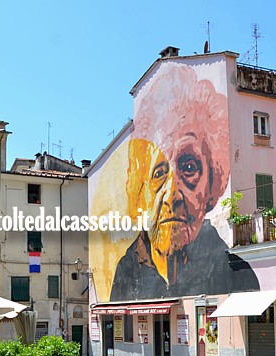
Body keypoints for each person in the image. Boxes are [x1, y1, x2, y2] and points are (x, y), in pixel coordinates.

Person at [110, 64, 259, 301]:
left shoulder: (236, 274)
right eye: (158, 173)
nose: (172, 195)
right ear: (141, 191)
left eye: (189, 167)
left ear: (212, 186)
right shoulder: (125, 272)